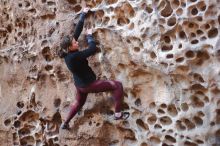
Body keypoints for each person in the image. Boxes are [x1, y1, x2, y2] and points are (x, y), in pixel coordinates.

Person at [58, 7, 129, 130]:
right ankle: (118, 114)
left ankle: (65, 123)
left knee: (79, 103)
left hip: (79, 85)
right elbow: (92, 49)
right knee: (117, 85)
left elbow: (77, 32)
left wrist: (83, 15)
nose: (77, 43)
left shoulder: (67, 53)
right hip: (88, 85)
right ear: (70, 48)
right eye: (75, 43)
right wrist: (90, 37)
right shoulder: (75, 56)